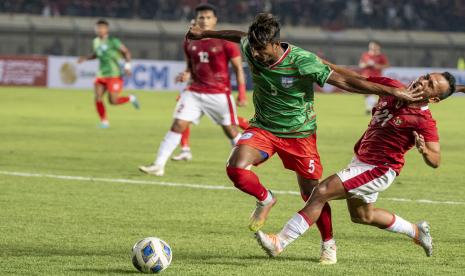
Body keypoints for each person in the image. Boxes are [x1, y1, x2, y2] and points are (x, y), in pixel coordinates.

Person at [186, 13, 423, 265]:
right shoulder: (252, 44)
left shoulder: (302, 61)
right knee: (235, 166)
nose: (255, 55)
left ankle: (328, 244)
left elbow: (344, 81)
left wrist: (393, 91)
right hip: (264, 128)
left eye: (261, 50)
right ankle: (266, 198)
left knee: (312, 193)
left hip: (300, 135)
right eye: (253, 50)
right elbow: (238, 36)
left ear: (276, 44)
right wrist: (205, 34)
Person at [255, 65, 457, 260]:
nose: (422, 82)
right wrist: (323, 64)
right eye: (426, 77)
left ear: (434, 99)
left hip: (378, 169)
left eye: (430, 85)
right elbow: (359, 80)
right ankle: (415, 231)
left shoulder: (424, 120)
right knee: (363, 216)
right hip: (362, 161)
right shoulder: (392, 87)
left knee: (322, 191)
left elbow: (436, 159)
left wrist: (424, 151)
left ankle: (280, 241)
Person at [139, 4, 246, 176]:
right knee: (178, 124)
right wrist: (186, 74)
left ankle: (245, 164)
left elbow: (238, 68)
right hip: (194, 92)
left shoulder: (225, 41)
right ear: (196, 20)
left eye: (208, 17)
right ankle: (158, 165)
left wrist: (241, 93)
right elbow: (190, 65)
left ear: (215, 20)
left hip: (219, 93)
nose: (204, 20)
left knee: (231, 130)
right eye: (201, 17)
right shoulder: (189, 39)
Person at [78, 19, 139, 128]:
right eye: (97, 28)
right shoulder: (95, 41)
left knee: (113, 101)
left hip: (114, 74)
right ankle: (104, 121)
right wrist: (86, 58)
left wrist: (127, 66)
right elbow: (97, 54)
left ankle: (131, 98)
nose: (99, 30)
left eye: (101, 28)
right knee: (97, 97)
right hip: (101, 74)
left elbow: (126, 52)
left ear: (106, 29)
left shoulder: (113, 41)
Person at [359, 41, 389, 114]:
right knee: (365, 92)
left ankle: (373, 105)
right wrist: (367, 64)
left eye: (374, 46)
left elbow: (386, 66)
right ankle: (371, 107)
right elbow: (361, 65)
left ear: (378, 47)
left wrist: (375, 65)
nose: (372, 47)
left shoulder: (381, 56)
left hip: (376, 77)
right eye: (371, 46)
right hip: (366, 76)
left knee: (373, 92)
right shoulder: (365, 55)